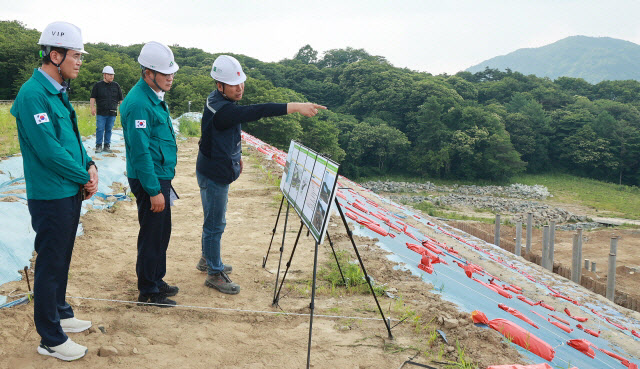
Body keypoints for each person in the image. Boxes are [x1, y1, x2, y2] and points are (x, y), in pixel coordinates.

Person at [196, 55, 326, 294]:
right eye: (234, 85)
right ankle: (214, 273)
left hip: (211, 166)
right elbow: (258, 111)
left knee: (213, 219)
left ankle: (207, 259)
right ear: (219, 85)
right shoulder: (222, 110)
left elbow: (220, 136)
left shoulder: (217, 100)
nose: (240, 88)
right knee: (215, 223)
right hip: (214, 173)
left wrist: (236, 156)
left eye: (241, 83)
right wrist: (296, 107)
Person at [10, 21, 97, 361]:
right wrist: (83, 177)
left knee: (62, 257)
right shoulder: (33, 95)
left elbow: (72, 140)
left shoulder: (57, 91)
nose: (79, 61)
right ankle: (50, 337)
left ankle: (60, 311)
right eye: (76, 55)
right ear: (55, 55)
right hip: (51, 193)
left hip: (68, 188)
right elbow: (48, 151)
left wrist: (89, 164)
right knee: (50, 262)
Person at [120, 41, 179, 307]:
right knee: (152, 233)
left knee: (161, 231)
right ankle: (148, 290)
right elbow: (140, 151)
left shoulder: (153, 96)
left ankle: (157, 278)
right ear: (148, 73)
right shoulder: (139, 103)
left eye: (171, 73)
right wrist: (154, 190)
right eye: (165, 74)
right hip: (149, 177)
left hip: (159, 174)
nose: (171, 78)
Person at [90, 65, 123, 153]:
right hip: (101, 112)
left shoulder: (116, 85)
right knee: (100, 128)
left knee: (109, 129)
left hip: (112, 112)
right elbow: (93, 97)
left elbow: (121, 99)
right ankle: (98, 145)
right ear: (104, 75)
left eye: (112, 75)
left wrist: (122, 110)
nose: (111, 76)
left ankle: (107, 145)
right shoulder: (98, 85)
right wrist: (92, 107)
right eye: (109, 74)